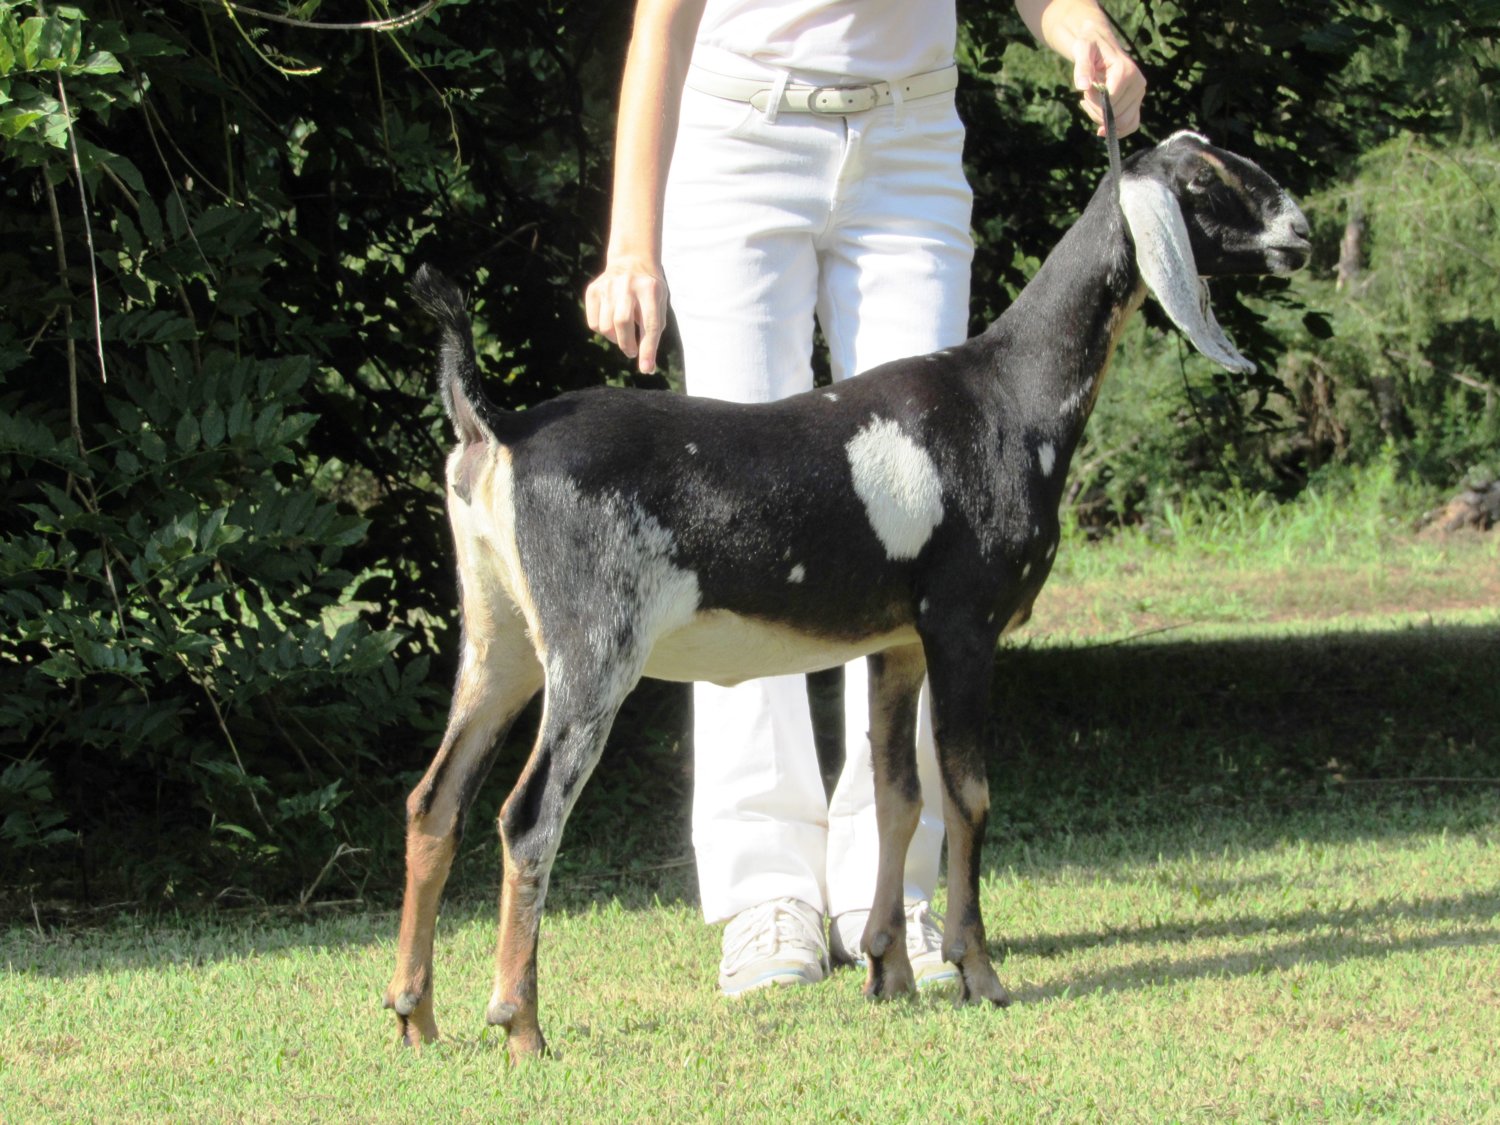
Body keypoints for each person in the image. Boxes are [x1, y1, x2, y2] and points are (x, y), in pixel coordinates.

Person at [585, 0, 1145, 995]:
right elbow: (659, 24)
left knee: (922, 528)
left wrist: (1083, 30)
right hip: (739, 135)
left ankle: (896, 889)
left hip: (910, 147)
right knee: (743, 525)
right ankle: (766, 895)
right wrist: (632, 244)